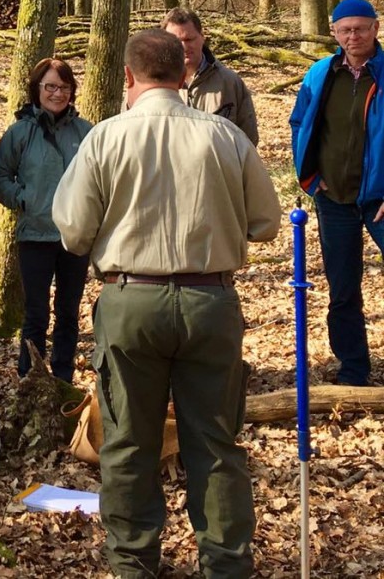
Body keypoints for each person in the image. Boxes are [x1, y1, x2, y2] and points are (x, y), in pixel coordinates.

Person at [52, 29, 281, 578]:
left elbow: (72, 230)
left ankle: (133, 565)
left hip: (132, 300)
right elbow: (267, 223)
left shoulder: (106, 138)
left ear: (128, 78)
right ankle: (225, 565)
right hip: (211, 299)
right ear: (183, 74)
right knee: (216, 442)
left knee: (130, 441)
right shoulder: (224, 137)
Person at [291, 0, 384, 387]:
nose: (353, 36)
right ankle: (353, 371)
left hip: (380, 201)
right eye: (345, 30)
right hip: (335, 202)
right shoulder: (319, 74)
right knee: (343, 292)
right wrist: (310, 177)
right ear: (334, 33)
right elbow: (299, 123)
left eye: (360, 28)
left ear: (376, 29)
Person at [0, 58, 91, 382]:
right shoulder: (21, 132)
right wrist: (23, 199)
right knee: (35, 315)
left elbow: (100, 178)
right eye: (50, 86)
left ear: (72, 91)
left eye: (63, 87)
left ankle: (62, 380)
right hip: (35, 235)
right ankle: (29, 378)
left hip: (75, 238)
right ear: (37, 89)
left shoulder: (86, 132)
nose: (57, 93)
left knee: (68, 315)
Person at [162, 7, 259, 145]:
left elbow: (248, 141)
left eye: (189, 39)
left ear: (202, 37)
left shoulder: (230, 83)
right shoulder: (151, 84)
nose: (183, 46)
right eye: (175, 40)